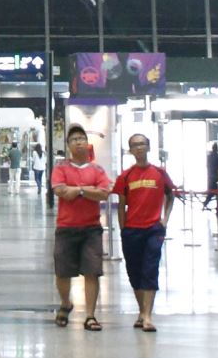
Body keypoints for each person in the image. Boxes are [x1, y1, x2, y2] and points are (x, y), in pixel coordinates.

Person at [113, 133, 179, 331]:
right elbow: (121, 205)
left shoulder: (159, 173)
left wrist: (164, 220)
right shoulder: (125, 176)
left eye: (142, 144)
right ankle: (142, 311)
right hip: (132, 230)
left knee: (150, 269)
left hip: (153, 230)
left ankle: (148, 316)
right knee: (135, 272)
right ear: (130, 150)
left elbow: (171, 195)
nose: (139, 148)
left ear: (148, 147)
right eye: (134, 145)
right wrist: (124, 229)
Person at [48, 126, 111, 329]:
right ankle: (66, 303)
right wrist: (87, 190)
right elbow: (61, 191)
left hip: (91, 229)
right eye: (74, 139)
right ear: (68, 145)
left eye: (81, 138)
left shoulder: (97, 170)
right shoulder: (60, 169)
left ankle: (90, 315)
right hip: (66, 228)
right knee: (63, 272)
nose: (78, 142)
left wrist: (79, 190)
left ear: (87, 143)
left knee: (92, 272)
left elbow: (103, 193)